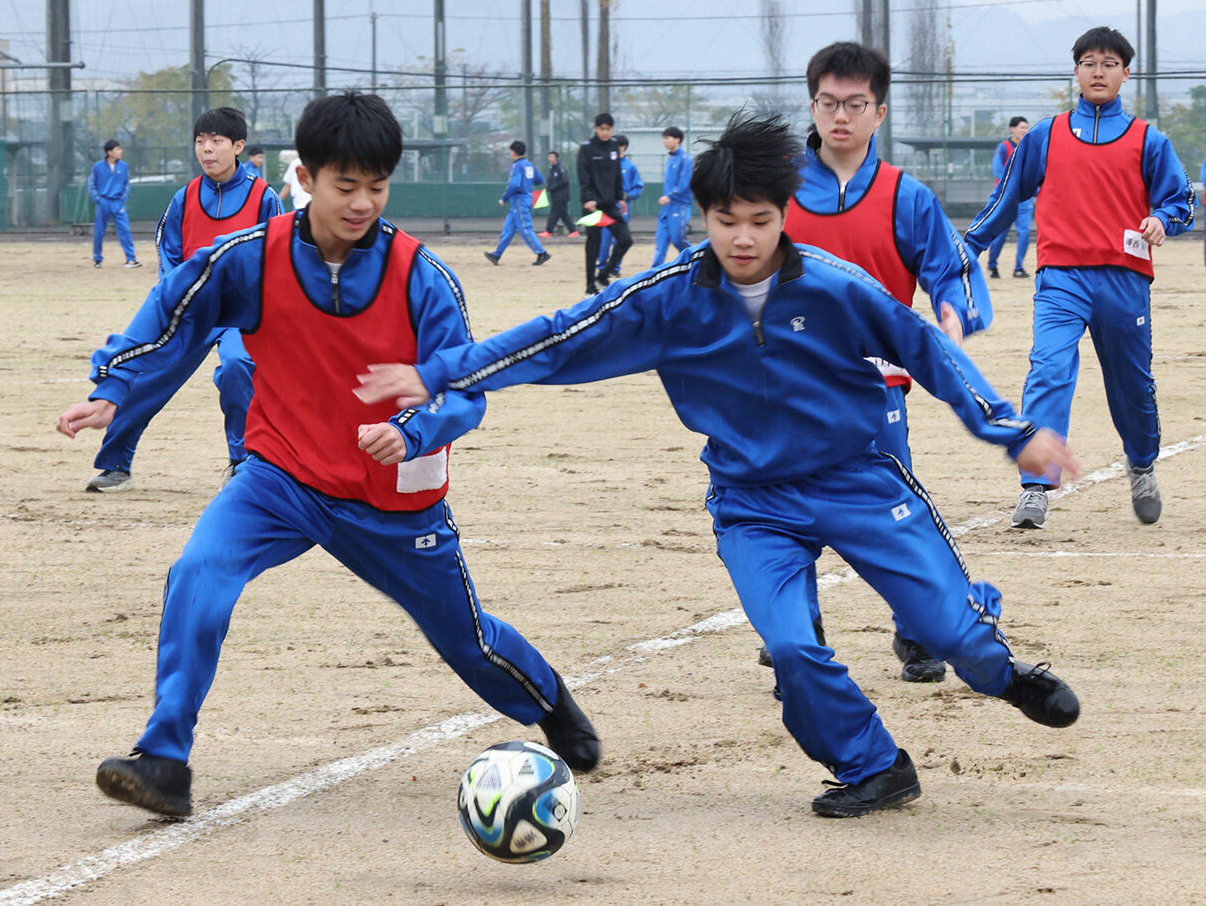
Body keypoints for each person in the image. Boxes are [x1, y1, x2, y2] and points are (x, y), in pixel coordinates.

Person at [357, 113, 1082, 819]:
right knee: (793, 647)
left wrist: (1013, 432)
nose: (742, 237)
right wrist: (444, 373)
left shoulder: (836, 286)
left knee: (954, 635)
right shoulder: (669, 297)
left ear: (784, 215)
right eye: (726, 219)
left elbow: (926, 347)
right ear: (702, 215)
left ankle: (1004, 673)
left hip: (859, 478)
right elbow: (560, 336)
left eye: (760, 220)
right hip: (752, 502)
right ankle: (873, 763)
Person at [57, 91, 599, 818]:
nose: (363, 202)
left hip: (391, 502)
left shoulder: (421, 277)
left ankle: (550, 703)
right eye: (346, 185)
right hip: (280, 478)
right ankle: (164, 759)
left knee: (467, 640)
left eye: (376, 186)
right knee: (198, 571)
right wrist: (115, 387)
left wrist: (410, 433)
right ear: (305, 178)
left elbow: (463, 389)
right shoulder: (251, 258)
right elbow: (173, 314)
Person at [783, 40, 994, 685]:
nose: (839, 116)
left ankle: (920, 631)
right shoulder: (774, 189)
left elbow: (949, 269)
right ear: (813, 105)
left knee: (896, 513)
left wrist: (955, 310)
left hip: (876, 390)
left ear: (879, 112)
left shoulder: (908, 197)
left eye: (855, 104)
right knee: (782, 512)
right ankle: (796, 633)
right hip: (782, 384)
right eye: (827, 103)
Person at [966, 26, 1195, 530]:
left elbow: (1181, 201)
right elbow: (1006, 198)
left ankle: (1142, 465)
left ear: (1125, 74)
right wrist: (969, 248)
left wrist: (1162, 219)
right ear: (1076, 72)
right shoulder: (1045, 136)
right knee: (1048, 370)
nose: (1098, 71)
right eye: (1089, 62)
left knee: (1132, 385)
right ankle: (1036, 487)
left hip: (1124, 279)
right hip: (1061, 277)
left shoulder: (1148, 140)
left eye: (1109, 64)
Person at [84, 106, 282, 494]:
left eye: (217, 141)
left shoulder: (264, 197)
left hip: (241, 316)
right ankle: (115, 465)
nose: (207, 150)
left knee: (239, 366)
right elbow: (168, 253)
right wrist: (179, 301)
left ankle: (242, 463)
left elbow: (277, 254)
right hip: (190, 313)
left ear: (238, 145)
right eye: (200, 142)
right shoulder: (184, 197)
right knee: (144, 377)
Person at [577, 112, 632, 295]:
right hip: (593, 206)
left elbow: (617, 175)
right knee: (593, 244)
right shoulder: (587, 149)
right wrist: (587, 199)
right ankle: (589, 286)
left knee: (626, 240)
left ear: (613, 129)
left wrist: (620, 198)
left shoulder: (615, 146)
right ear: (595, 129)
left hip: (609, 205)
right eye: (602, 129)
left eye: (608, 129)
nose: (605, 132)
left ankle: (603, 276)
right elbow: (583, 177)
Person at [484, 140, 550, 266]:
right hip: (525, 199)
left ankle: (542, 253)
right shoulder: (529, 165)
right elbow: (539, 180)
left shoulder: (517, 166)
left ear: (514, 152)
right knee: (508, 229)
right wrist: (528, 182)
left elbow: (514, 185)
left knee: (525, 228)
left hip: (519, 200)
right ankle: (496, 255)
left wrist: (504, 198)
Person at [984, 117, 1033, 279]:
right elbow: (997, 170)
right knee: (1000, 234)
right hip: (1005, 197)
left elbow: (1035, 171)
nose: (1025, 130)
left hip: (1024, 198)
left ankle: (1019, 267)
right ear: (1012, 129)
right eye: (1022, 127)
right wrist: (1011, 185)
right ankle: (992, 265)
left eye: (1026, 127)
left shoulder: (1029, 148)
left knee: (1025, 232)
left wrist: (1036, 188)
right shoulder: (1003, 147)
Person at [596, 134, 642, 277]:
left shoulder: (630, 167)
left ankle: (615, 268)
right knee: (605, 237)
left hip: (623, 208)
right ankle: (602, 266)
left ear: (623, 147)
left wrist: (628, 196)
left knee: (621, 238)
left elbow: (638, 187)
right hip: (607, 206)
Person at [88, 139, 138, 268]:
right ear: (109, 152)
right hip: (103, 202)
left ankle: (131, 259)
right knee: (99, 231)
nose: (121, 151)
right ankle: (97, 259)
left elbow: (127, 184)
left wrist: (122, 199)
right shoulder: (98, 167)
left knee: (124, 230)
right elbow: (92, 184)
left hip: (118, 203)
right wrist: (98, 199)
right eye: (118, 149)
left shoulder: (124, 166)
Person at [655, 126, 692, 265]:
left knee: (678, 239)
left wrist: (670, 196)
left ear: (677, 139)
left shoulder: (685, 159)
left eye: (667, 138)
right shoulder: (670, 159)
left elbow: (684, 183)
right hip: (667, 207)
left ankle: (698, 262)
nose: (665, 141)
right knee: (660, 244)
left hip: (679, 206)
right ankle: (653, 274)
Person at [539, 150, 579, 238]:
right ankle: (573, 231)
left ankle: (548, 231)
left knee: (554, 214)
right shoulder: (552, 169)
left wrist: (552, 188)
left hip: (561, 196)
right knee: (563, 214)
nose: (550, 158)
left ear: (556, 158)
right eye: (549, 157)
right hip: (556, 196)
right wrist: (548, 187)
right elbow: (551, 181)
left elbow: (565, 181)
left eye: (552, 156)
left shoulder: (561, 168)